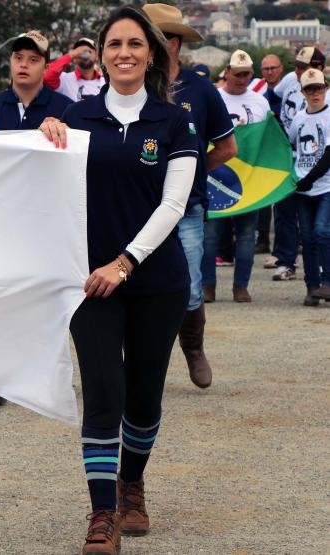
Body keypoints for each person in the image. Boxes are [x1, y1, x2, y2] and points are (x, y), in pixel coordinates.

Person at [39, 7, 198, 551]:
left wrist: (125, 262)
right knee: (103, 392)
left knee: (144, 397)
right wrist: (42, 137)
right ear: (100, 54)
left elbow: (174, 203)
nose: (124, 53)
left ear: (150, 53)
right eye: (114, 44)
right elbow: (35, 174)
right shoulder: (74, 116)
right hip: (90, 283)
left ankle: (133, 485)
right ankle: (102, 513)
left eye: (134, 43)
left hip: (157, 281)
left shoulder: (173, 121)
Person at [0, 30, 72, 408]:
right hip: (3, 218)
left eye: (33, 59)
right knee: (0, 297)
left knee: (46, 300)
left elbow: (77, 158)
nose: (24, 65)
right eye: (18, 58)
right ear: (10, 64)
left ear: (45, 66)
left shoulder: (64, 108)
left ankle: (43, 376)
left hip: (48, 219)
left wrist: (62, 133)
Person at [144, 2, 236, 389]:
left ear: (175, 44)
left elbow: (227, 147)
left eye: (157, 39)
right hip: (138, 204)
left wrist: (193, 172)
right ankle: (144, 360)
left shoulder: (201, 90)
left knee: (191, 285)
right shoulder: (133, 86)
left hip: (188, 207)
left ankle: (194, 349)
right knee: (138, 282)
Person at [203, 49, 271, 304]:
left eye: (247, 74)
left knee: (246, 236)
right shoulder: (213, 98)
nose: (242, 78)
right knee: (210, 237)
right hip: (216, 178)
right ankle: (208, 285)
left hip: (249, 181)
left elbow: (267, 139)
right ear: (227, 72)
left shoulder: (260, 102)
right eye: (237, 73)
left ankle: (240, 286)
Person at [268, 47, 324, 279]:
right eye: (297, 66)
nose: (298, 71)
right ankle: (286, 260)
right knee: (283, 210)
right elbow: (272, 96)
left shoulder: (324, 95)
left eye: (304, 67)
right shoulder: (291, 80)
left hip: (313, 162)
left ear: (319, 68)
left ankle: (318, 265)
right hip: (286, 154)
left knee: (317, 223)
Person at [288, 68, 330, 305]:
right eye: (310, 89)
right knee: (308, 238)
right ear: (303, 92)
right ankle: (312, 286)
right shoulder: (299, 119)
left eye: (320, 88)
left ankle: (328, 281)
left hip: (325, 187)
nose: (316, 93)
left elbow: (328, 154)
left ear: (326, 88)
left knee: (322, 232)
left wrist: (310, 178)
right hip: (303, 189)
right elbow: (289, 145)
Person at [254, 54, 285, 254]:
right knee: (263, 199)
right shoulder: (256, 92)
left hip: (285, 150)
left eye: (273, 68)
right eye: (266, 69)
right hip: (264, 152)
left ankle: (285, 244)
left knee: (284, 200)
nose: (270, 72)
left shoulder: (289, 91)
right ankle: (263, 239)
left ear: (281, 69)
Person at [44, 36, 106, 102]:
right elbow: (46, 76)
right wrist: (72, 55)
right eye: (80, 51)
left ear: (96, 56)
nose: (84, 54)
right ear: (75, 57)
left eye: (89, 51)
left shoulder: (106, 83)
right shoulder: (64, 80)